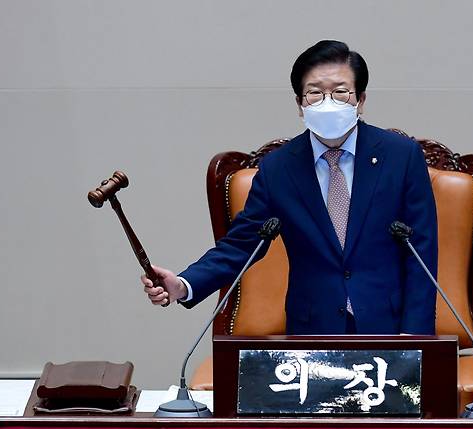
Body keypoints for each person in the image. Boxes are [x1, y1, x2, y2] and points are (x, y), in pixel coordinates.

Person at [141, 40, 438, 335]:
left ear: (360, 100)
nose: (328, 102)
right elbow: (242, 244)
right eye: (315, 93)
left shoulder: (400, 156)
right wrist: (183, 285)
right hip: (312, 331)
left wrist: (415, 338)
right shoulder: (278, 169)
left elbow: (421, 250)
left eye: (340, 92)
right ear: (299, 104)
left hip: (389, 328)